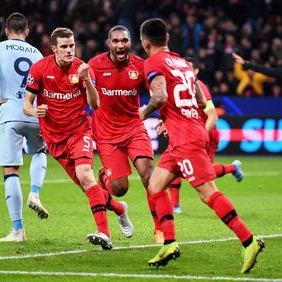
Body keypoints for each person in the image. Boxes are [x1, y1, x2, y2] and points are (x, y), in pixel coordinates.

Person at [138, 18, 264, 274]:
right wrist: (178, 114)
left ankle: (248, 241)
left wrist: (146, 111)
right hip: (187, 132)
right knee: (155, 185)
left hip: (185, 137)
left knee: (207, 192)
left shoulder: (153, 62)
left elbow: (160, 95)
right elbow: (197, 94)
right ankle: (170, 243)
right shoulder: (182, 62)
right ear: (168, 39)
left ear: (144, 42)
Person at [23, 27, 132, 250]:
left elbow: (95, 105)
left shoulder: (83, 69)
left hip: (79, 131)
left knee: (85, 175)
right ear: (53, 49)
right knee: (88, 187)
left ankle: (104, 233)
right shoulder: (40, 68)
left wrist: (87, 81)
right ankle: (120, 209)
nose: (69, 50)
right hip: (54, 140)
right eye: (64, 47)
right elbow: (26, 104)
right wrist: (35, 112)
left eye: (72, 45)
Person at [0, 12, 49, 243]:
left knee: (11, 170)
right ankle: (35, 192)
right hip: (34, 111)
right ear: (27, 31)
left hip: (9, 112)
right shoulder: (37, 53)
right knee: (40, 151)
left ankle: (18, 231)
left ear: (6, 30)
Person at [88, 25, 163, 243]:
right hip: (106, 133)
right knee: (119, 189)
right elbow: (88, 98)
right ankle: (105, 175)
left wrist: (164, 116)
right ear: (109, 43)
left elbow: (158, 92)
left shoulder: (140, 65)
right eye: (116, 41)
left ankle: (159, 229)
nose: (121, 45)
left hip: (133, 128)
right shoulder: (95, 65)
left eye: (125, 41)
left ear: (131, 42)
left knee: (149, 174)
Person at [167, 57, 244, 214]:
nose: (185, 71)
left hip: (205, 134)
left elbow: (213, 116)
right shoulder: (179, 86)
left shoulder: (200, 87)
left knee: (205, 175)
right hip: (187, 135)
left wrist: (201, 136)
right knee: (174, 165)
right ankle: (175, 206)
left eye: (189, 68)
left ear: (196, 71)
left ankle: (232, 168)